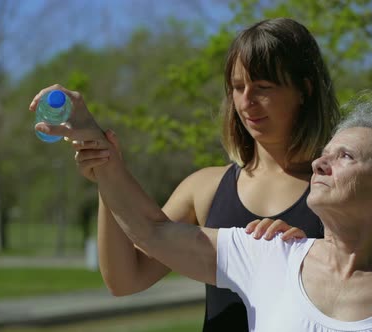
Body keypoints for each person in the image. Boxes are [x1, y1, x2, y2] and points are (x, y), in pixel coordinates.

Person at [32, 91, 372, 331]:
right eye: (323, 153)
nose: (320, 163)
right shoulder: (267, 253)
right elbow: (151, 232)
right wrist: (102, 154)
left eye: (344, 155)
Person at [37, 17, 340, 331]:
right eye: (237, 87)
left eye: (263, 87)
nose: (246, 101)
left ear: (304, 89)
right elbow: (126, 279)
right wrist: (105, 170)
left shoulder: (340, 188)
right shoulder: (205, 187)